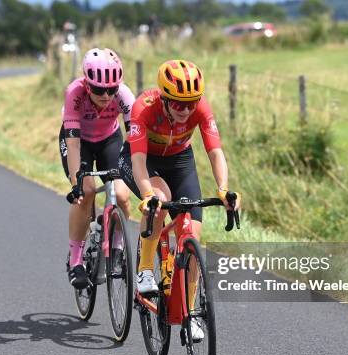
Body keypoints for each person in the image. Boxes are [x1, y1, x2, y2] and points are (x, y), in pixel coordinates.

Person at [117, 59, 241, 338]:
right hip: (142, 159)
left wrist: (223, 189)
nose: (186, 110)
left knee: (192, 234)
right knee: (160, 199)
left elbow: (215, 152)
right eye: (178, 104)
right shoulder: (144, 108)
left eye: (192, 103)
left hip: (179, 160)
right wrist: (147, 195)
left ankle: (190, 313)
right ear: (164, 98)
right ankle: (146, 269)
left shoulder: (200, 109)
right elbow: (137, 160)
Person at [60, 48, 135, 289]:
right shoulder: (75, 93)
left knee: (122, 195)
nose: (106, 95)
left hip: (109, 139)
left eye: (111, 89)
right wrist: (76, 185)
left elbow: (135, 140)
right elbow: (72, 144)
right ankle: (75, 261)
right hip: (79, 141)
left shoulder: (124, 95)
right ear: (87, 83)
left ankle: (117, 249)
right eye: (99, 89)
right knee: (87, 193)